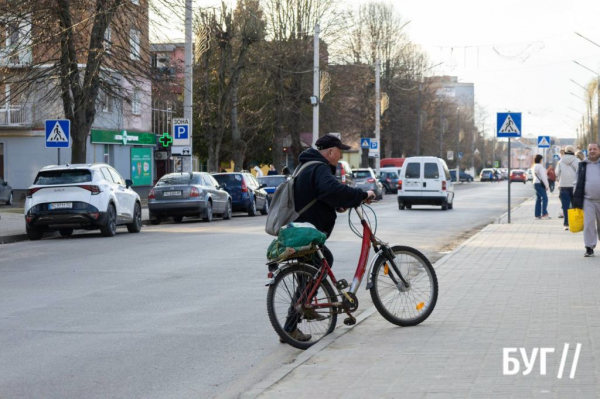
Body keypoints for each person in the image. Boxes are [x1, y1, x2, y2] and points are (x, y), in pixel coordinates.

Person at [283, 134, 376, 343]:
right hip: (307, 231)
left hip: (300, 229)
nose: (340, 156)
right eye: (340, 152)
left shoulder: (306, 166)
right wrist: (361, 195)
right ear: (331, 152)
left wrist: (337, 204)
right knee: (318, 266)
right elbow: (330, 189)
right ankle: (292, 323)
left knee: (312, 272)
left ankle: (304, 307)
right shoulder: (320, 167)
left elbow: (318, 194)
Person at [573, 143, 600, 257]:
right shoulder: (583, 165)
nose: (592, 151)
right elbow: (577, 181)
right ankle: (589, 247)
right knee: (588, 224)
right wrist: (576, 196)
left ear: (599, 150)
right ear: (587, 151)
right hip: (588, 200)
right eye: (590, 149)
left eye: (595, 149)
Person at [556, 146, 579, 230]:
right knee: (575, 206)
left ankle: (566, 224)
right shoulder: (577, 161)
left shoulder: (560, 161)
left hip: (563, 186)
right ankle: (575, 223)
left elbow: (556, 173)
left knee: (565, 206)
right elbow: (580, 173)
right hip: (575, 186)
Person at [532, 154, 550, 220]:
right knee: (545, 198)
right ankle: (544, 213)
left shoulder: (533, 166)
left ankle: (537, 215)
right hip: (540, 184)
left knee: (538, 198)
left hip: (535, 183)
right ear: (540, 160)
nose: (542, 161)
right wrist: (547, 186)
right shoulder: (540, 167)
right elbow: (543, 177)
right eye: (542, 159)